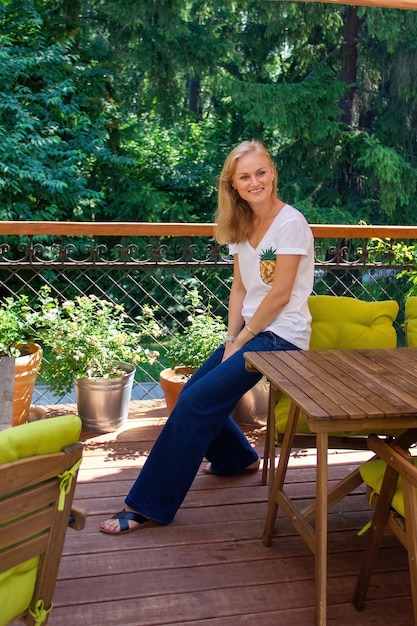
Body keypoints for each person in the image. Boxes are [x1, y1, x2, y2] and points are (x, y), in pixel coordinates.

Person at [100, 139, 315, 535]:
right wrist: (232, 337)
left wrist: (244, 338)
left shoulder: (291, 223)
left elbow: (280, 295)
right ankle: (237, 458)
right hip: (250, 334)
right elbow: (239, 289)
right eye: (245, 176)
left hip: (281, 337)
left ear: (273, 171)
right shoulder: (241, 224)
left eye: (261, 172)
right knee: (190, 393)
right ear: (233, 184)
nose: (255, 182)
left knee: (197, 400)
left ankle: (146, 504)